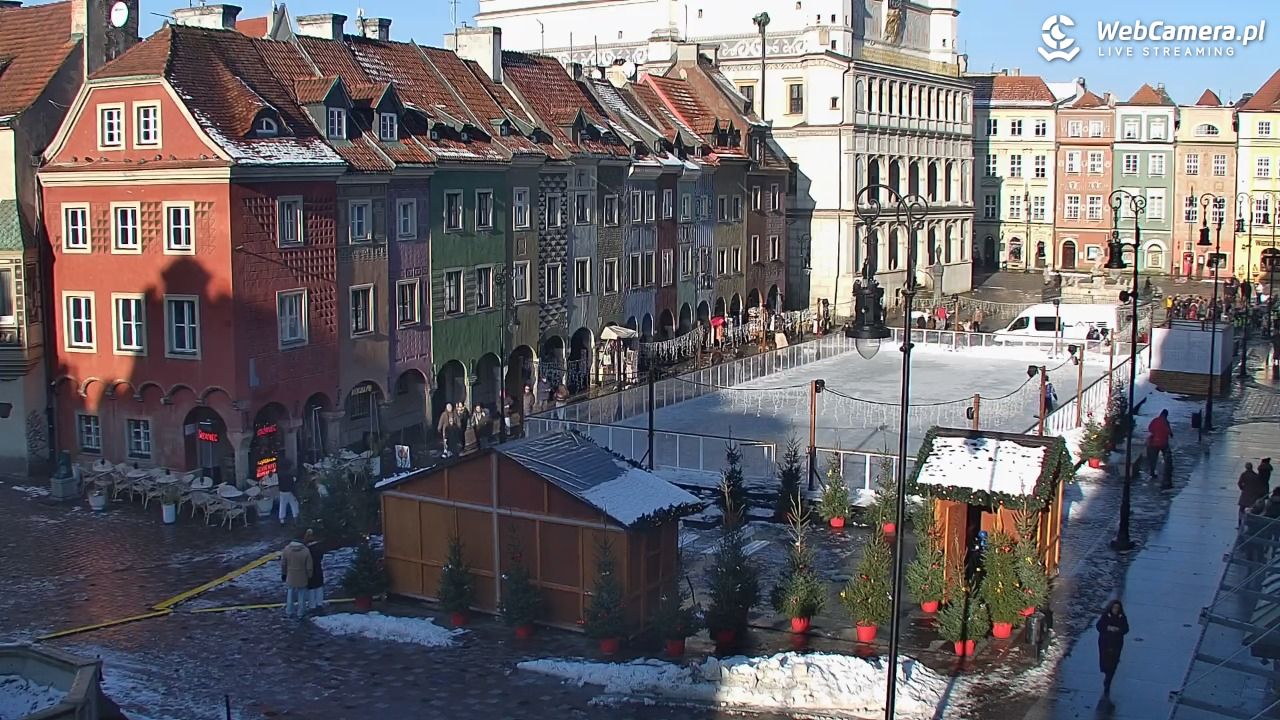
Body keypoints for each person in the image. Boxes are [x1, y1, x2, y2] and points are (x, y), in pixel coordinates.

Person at [1097, 600, 1129, 697]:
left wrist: (1118, 630)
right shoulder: (1106, 616)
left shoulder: (1122, 618)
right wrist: (1108, 628)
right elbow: (1099, 626)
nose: (1115, 610)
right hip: (1105, 643)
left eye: (1117, 608)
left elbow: (1126, 629)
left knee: (1113, 662)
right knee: (1106, 661)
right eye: (1114, 608)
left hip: (1116, 644)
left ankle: (1108, 680)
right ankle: (1107, 673)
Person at [280, 534, 314, 619]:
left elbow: (283, 564)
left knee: (290, 594)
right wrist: (309, 576)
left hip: (291, 575)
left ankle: (289, 611)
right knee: (302, 595)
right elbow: (309, 566)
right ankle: (301, 612)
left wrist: (284, 574)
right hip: (302, 576)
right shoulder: (306, 550)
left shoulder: (287, 549)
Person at [1145, 409, 1173, 480]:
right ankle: (1168, 470)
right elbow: (1168, 431)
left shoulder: (1155, 420)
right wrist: (1169, 434)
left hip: (1154, 442)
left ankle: (1152, 473)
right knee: (1167, 456)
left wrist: (1155, 433)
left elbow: (1150, 428)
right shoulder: (1166, 422)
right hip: (1163, 442)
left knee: (1153, 459)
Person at [304, 529, 326, 615]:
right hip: (318, 569)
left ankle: (312, 605)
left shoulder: (306, 550)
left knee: (311, 589)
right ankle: (319, 604)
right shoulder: (319, 547)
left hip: (309, 570)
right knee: (319, 587)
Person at [1239, 462, 1267, 527]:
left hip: (1245, 494)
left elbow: (1240, 483)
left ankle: (1240, 523)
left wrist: (1242, 488)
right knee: (1252, 510)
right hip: (1253, 495)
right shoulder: (1256, 476)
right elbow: (1259, 486)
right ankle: (1249, 524)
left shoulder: (1244, 474)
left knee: (1241, 509)